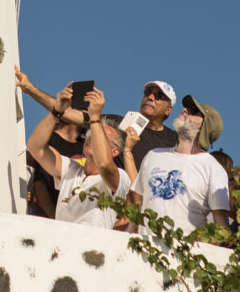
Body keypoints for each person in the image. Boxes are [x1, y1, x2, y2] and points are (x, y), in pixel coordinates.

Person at [16, 67, 176, 174]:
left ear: (169, 110)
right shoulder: (115, 124)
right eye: (148, 92)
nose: (150, 97)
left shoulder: (174, 140)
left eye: (159, 96)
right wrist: (30, 89)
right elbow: (69, 114)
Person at [27, 83, 130, 229]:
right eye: (90, 133)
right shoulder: (71, 169)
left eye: (100, 136)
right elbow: (35, 147)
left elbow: (105, 165)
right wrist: (56, 111)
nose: (91, 137)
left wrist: (94, 117)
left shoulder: (121, 177)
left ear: (115, 152)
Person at [129, 94, 230, 234]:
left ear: (205, 127)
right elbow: (137, 205)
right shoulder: (153, 155)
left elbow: (221, 225)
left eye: (194, 111)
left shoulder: (213, 168)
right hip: (144, 251)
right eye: (187, 108)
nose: (185, 110)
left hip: (184, 253)